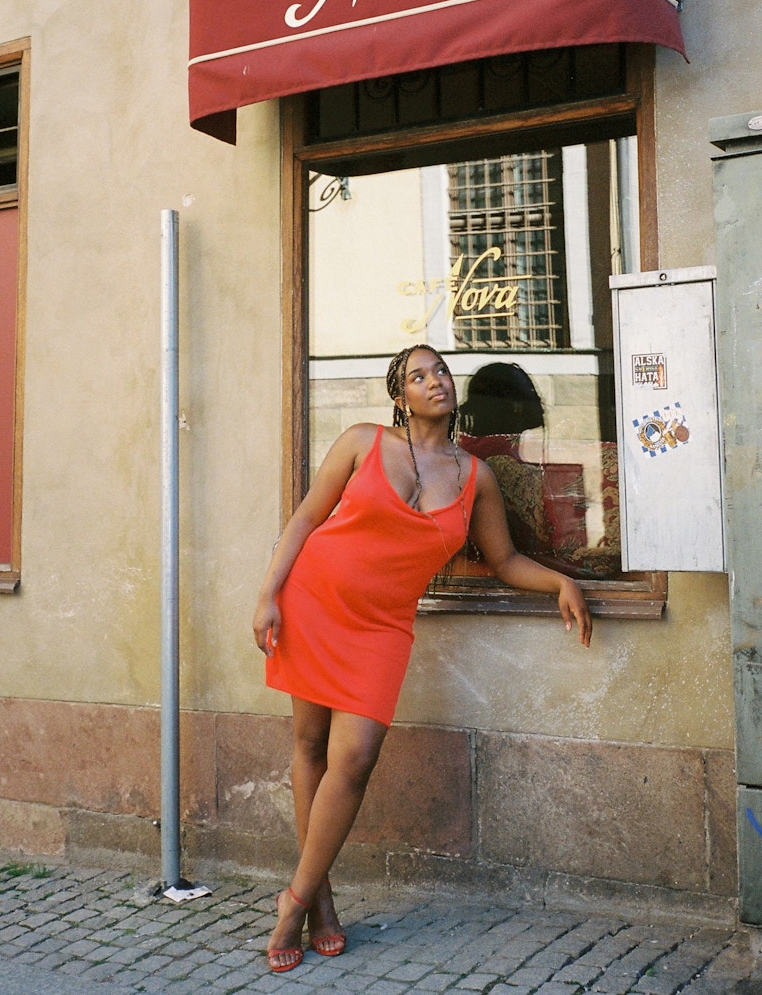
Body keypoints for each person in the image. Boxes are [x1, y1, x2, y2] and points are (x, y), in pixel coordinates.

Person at [252, 344, 592, 973]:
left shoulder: (474, 477)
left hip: (382, 628)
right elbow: (304, 519)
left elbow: (505, 561)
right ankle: (320, 901)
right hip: (315, 600)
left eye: (440, 371)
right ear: (400, 395)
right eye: (418, 375)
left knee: (353, 758)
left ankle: (293, 899)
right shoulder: (362, 442)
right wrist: (269, 594)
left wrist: (560, 583)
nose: (435, 381)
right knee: (309, 744)